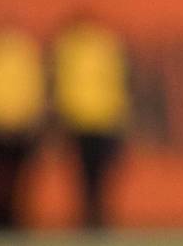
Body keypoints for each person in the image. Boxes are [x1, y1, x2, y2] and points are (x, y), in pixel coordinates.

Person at [52, 16, 132, 229]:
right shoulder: (75, 48)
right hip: (85, 119)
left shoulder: (96, 46)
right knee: (86, 173)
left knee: (100, 173)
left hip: (101, 118)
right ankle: (89, 215)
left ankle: (97, 215)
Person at [0, 25, 46, 229]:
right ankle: (5, 216)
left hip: (18, 124)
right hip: (10, 123)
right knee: (7, 177)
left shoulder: (26, 54)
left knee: (17, 178)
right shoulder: (26, 54)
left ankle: (12, 217)